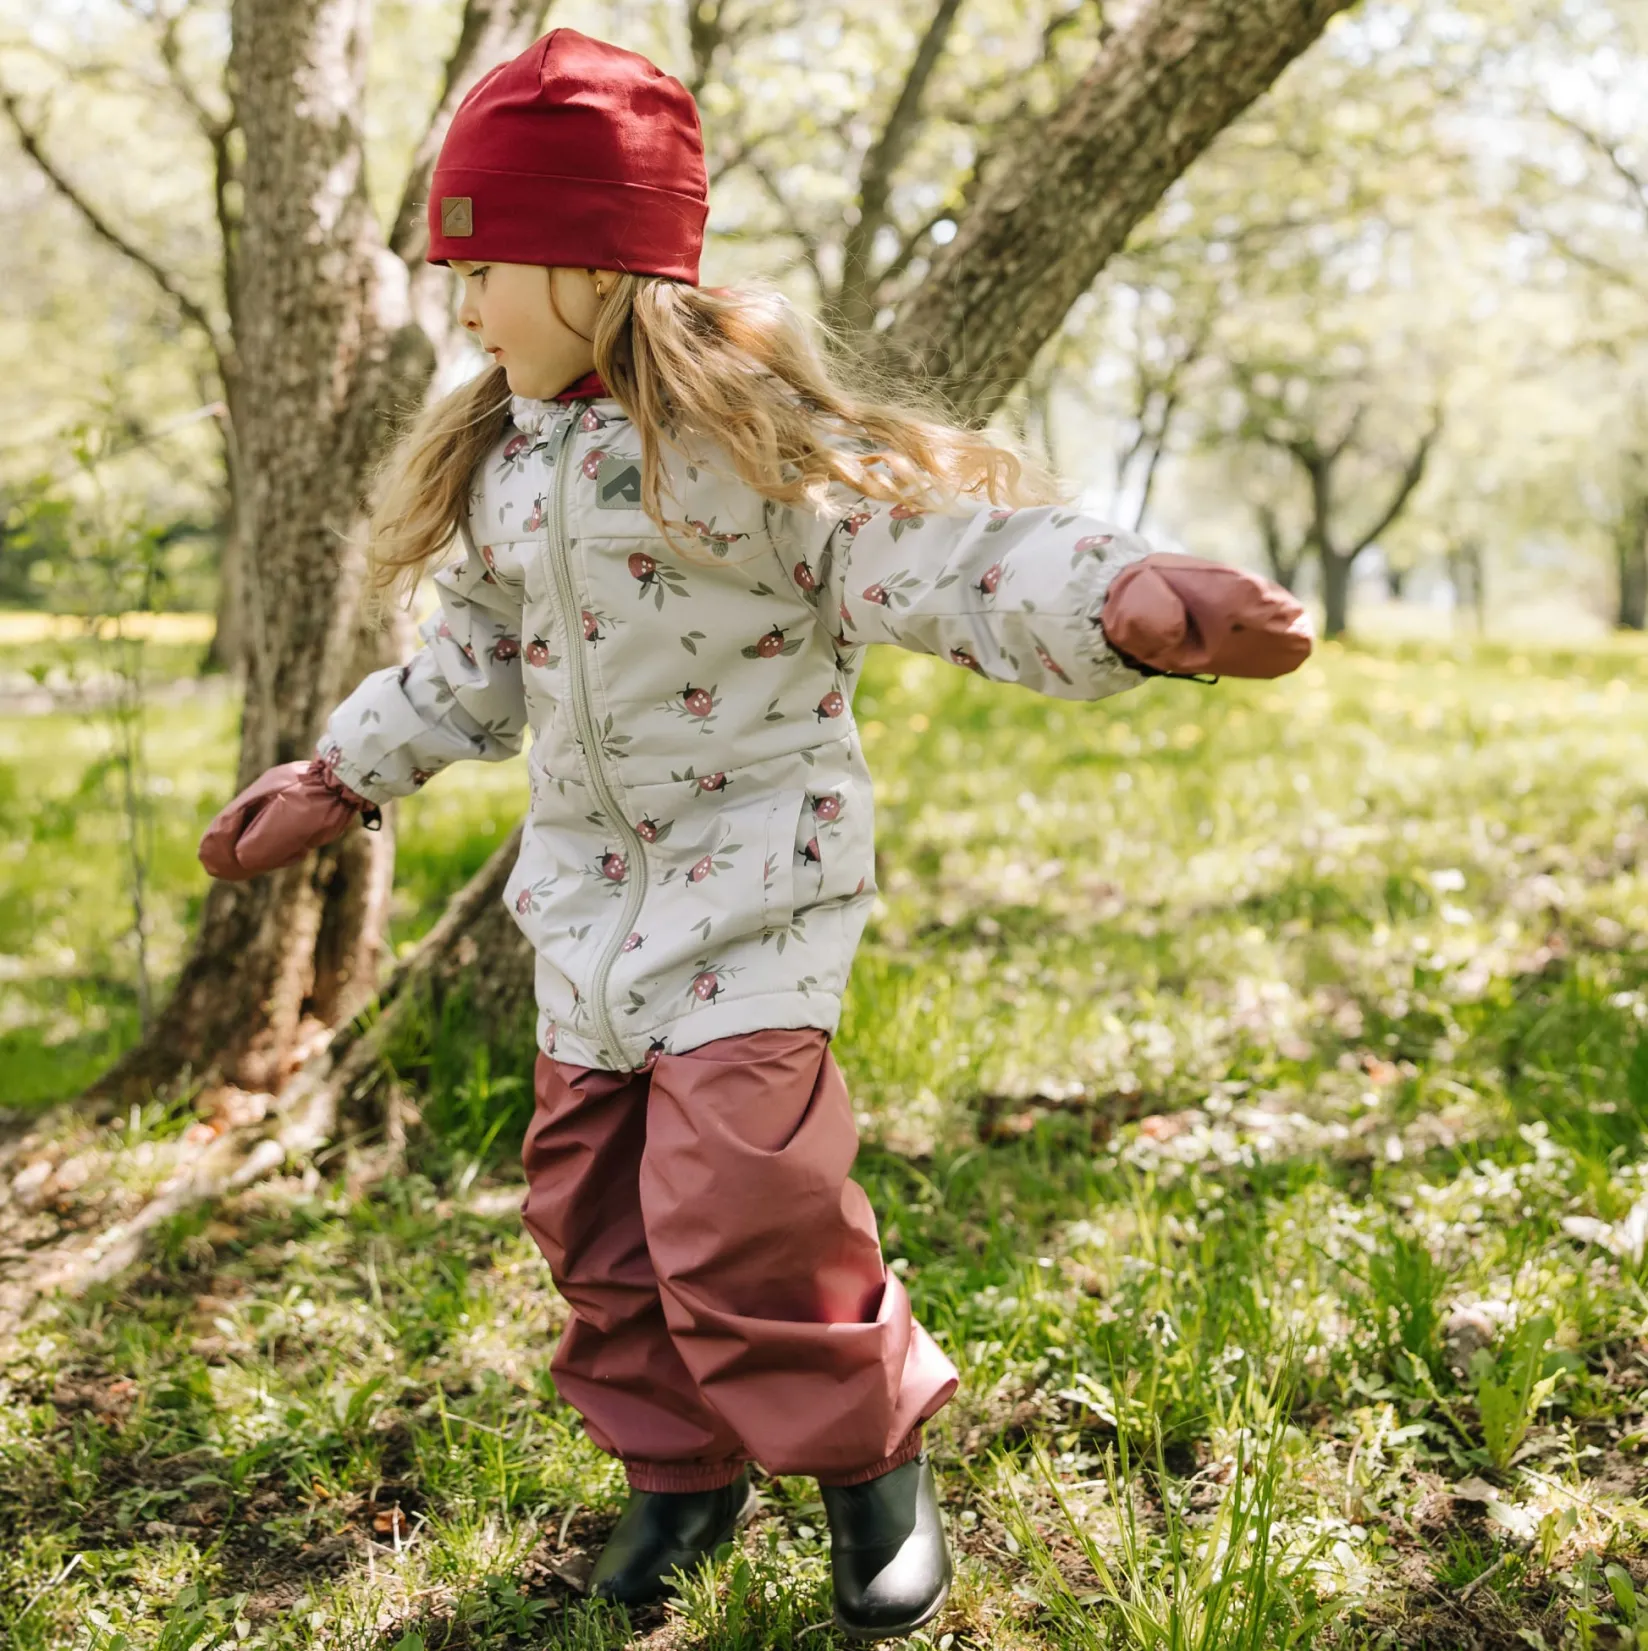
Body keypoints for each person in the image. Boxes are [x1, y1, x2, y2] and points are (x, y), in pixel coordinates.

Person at [198, 26, 1312, 1641]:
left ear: (596, 265)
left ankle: (872, 1465)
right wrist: (341, 773)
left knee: (750, 1212)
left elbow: (944, 555)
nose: (466, 304)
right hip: (583, 921)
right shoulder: (509, 468)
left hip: (752, 902)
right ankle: (679, 1476)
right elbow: (470, 662)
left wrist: (1121, 598)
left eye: (485, 267)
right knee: (594, 1228)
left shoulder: (749, 456)